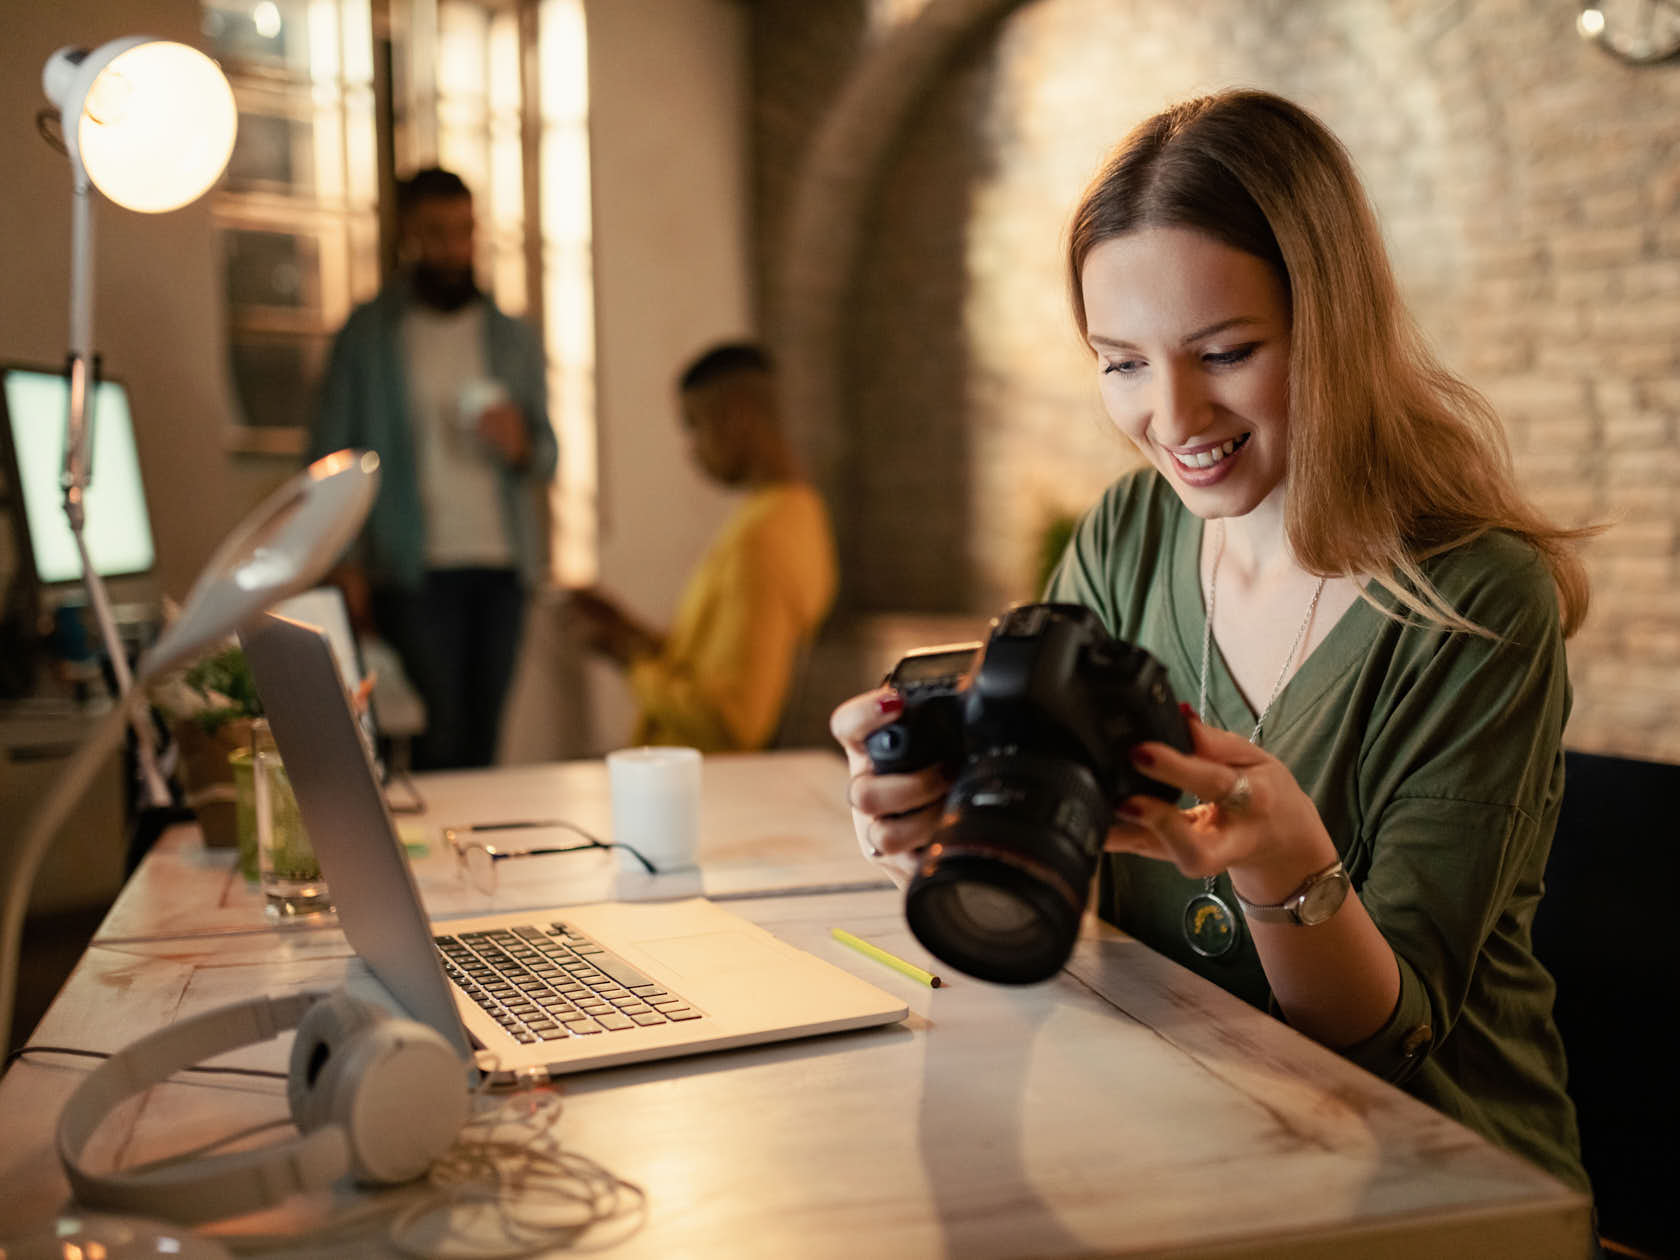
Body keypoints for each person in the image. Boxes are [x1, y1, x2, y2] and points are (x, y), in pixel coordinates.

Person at [830, 90, 1593, 1197]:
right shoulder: (1126, 534)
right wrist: (957, 831)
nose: (1174, 417)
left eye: (1226, 351)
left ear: (1332, 326)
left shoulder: (1477, 602)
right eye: (1122, 361)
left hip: (1434, 1180)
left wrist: (1282, 861)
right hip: (1178, 1131)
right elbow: (1068, 880)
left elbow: (1391, 1040)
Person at [309, 167, 557, 770]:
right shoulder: (367, 337)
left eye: (465, 232)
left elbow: (546, 456)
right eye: (437, 232)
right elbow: (327, 459)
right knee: (436, 739)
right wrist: (344, 565)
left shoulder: (510, 337)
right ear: (408, 236)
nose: (454, 247)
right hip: (413, 569)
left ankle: (479, 859)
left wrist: (520, 444)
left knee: (484, 741)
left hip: (503, 568)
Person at [569, 343, 837, 753]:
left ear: (738, 417)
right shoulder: (791, 514)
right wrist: (631, 634)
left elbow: (731, 723)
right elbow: (711, 667)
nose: (691, 450)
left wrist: (630, 661)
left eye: (693, 425)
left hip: (707, 785)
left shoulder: (763, 541)